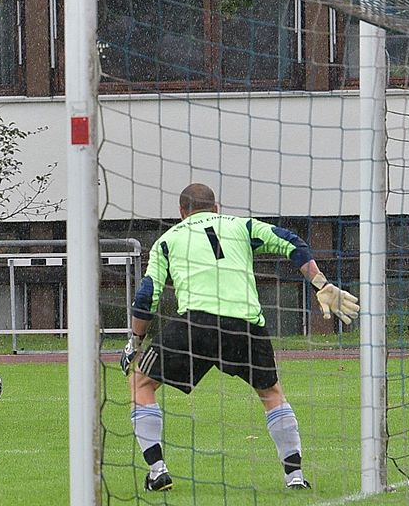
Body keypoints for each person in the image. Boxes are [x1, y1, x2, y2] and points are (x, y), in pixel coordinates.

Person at [120, 183, 359, 492]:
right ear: (216, 208)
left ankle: (157, 470)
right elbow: (291, 242)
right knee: (271, 393)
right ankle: (294, 476)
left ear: (181, 213)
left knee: (141, 382)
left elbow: (147, 294)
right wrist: (321, 284)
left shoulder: (168, 240)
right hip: (246, 324)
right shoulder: (242, 227)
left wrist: (134, 343)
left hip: (197, 323)